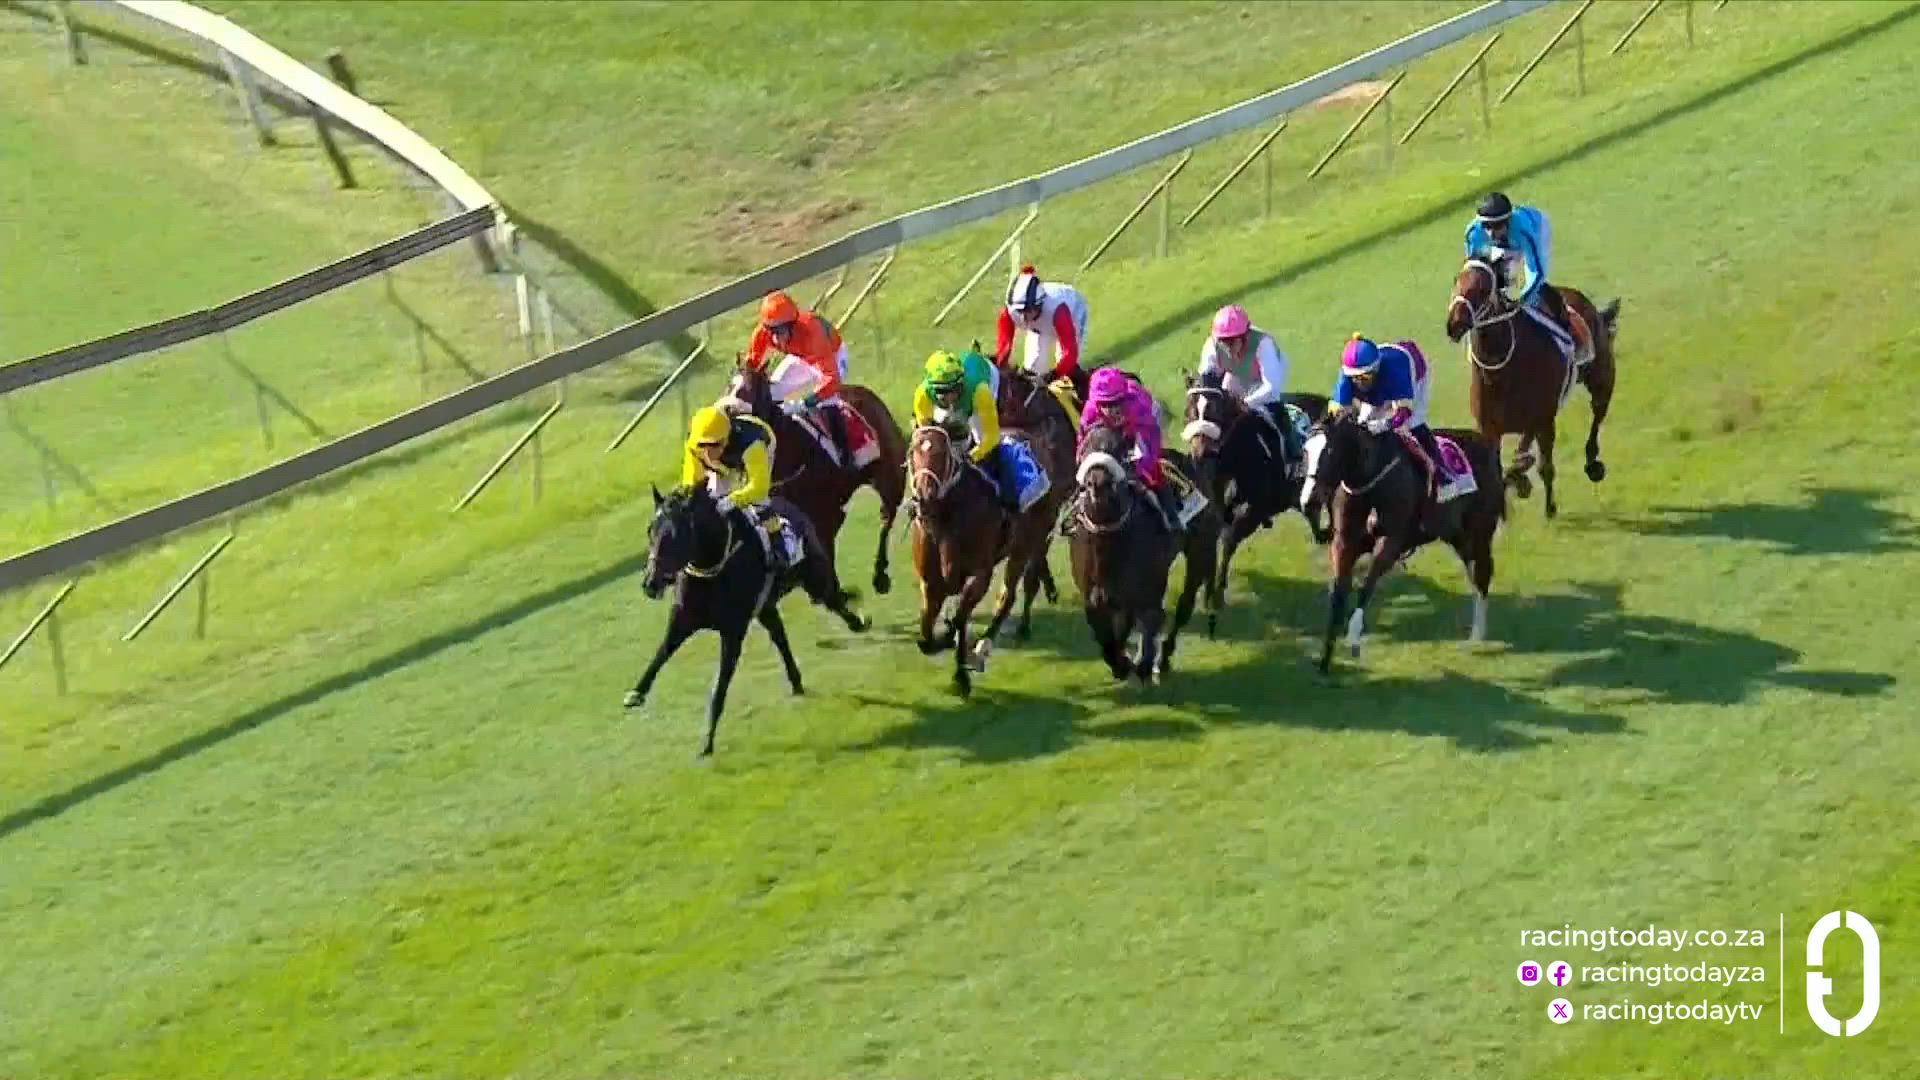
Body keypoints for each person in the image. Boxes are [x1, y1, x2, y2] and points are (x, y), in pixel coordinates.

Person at [742, 290, 876, 467]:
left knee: (827, 401)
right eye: (771, 330)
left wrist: (806, 402)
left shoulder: (813, 334)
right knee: (772, 392)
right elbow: (751, 363)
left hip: (831, 356)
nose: (775, 337)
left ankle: (845, 454)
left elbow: (831, 380)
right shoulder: (762, 332)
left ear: (792, 325)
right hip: (802, 358)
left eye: (780, 331)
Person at [1326, 334, 1451, 511]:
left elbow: (1404, 412)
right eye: (1355, 379)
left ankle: (1443, 474)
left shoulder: (1397, 370)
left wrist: (1385, 424)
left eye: (1365, 378)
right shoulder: (1347, 376)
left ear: (1376, 370)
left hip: (1414, 373)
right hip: (1380, 386)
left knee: (1410, 426)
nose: (1359, 384)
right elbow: (1338, 413)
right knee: (1363, 421)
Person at [1462, 191, 1589, 362]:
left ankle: (1572, 332)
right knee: (1500, 287)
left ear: (1508, 221)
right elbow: (1476, 274)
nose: (1491, 233)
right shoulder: (1474, 234)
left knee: (1535, 296)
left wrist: (1521, 300)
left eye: (1497, 226)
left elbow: (1537, 272)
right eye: (1487, 226)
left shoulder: (1524, 231)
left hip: (1536, 231)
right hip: (1504, 246)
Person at [911, 349, 1032, 514]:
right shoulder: (922, 395)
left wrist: (971, 457)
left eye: (955, 389)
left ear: (961, 383)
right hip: (963, 396)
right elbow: (927, 436)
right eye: (943, 393)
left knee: (982, 442)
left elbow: (992, 437)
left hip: (986, 383)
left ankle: (1007, 499)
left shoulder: (980, 392)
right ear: (932, 389)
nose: (951, 397)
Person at [1197, 303, 1303, 476]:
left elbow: (1270, 387)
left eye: (1232, 341)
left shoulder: (1263, 344)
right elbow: (1206, 379)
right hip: (1237, 374)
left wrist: (1246, 403)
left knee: (1271, 406)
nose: (1227, 347)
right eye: (1223, 341)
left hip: (1266, 377)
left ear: (1244, 336)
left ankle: (1294, 452)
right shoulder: (1212, 345)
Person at [682, 405, 790, 570]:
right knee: (711, 498)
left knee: (757, 502)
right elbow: (691, 484)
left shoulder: (752, 444)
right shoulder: (693, 446)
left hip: (757, 453)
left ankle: (779, 545)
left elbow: (758, 487)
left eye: (714, 445)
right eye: (702, 445)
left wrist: (731, 500)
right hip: (723, 466)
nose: (708, 452)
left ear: (725, 439)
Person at [1079, 367, 1185, 534]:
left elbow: (1151, 441)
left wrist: (1139, 466)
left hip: (1142, 428)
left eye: (1117, 401)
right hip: (1112, 436)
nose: (1112, 409)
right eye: (1106, 404)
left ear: (1124, 396)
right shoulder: (1090, 413)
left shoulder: (1137, 404)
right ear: (1097, 403)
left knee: (1153, 473)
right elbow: (1083, 443)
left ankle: (1172, 516)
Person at [994, 265, 1091, 402]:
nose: (1023, 318)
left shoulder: (1059, 311)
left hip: (1073, 315)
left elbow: (1070, 353)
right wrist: (1000, 365)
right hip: (1041, 326)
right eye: (1020, 312)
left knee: (1067, 372)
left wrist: (1053, 375)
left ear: (1038, 305)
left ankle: (1082, 399)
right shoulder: (1011, 312)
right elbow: (1004, 344)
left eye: (1027, 311)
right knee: (1032, 366)